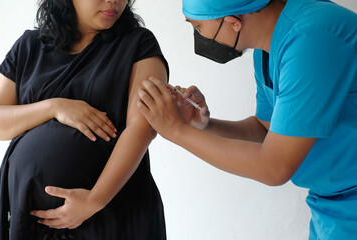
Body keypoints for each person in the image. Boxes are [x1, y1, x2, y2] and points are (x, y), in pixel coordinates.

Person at [137, 0, 357, 239]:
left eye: (199, 27)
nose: (199, 37)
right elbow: (265, 131)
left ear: (233, 22)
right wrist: (201, 125)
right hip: (331, 206)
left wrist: (177, 131)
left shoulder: (312, 39)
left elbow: (275, 167)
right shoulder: (267, 50)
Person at [0, 0, 168, 239]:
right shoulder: (29, 46)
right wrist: (54, 107)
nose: (115, 1)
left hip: (111, 211)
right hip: (29, 218)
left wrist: (94, 200)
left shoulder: (139, 44)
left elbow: (142, 126)